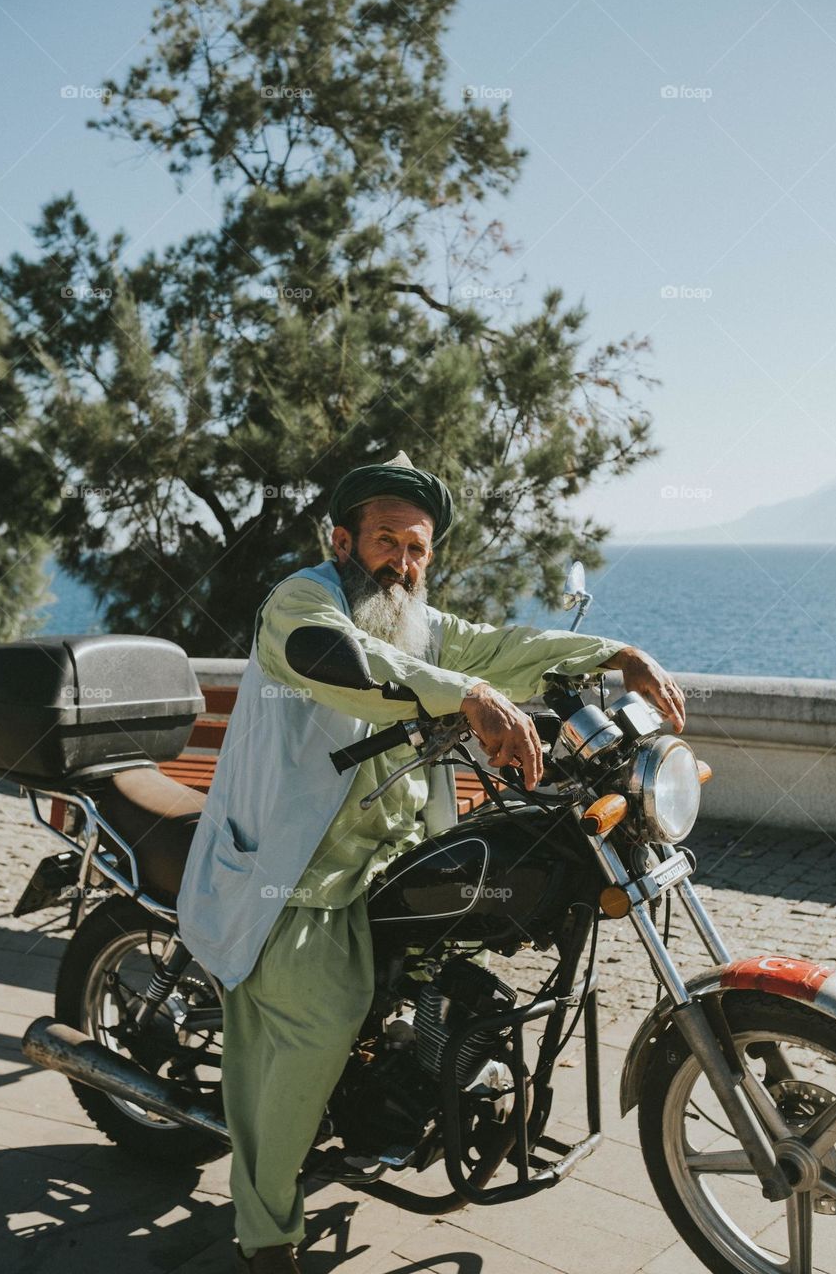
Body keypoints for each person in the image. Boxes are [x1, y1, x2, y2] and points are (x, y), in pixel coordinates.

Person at [176, 453, 686, 1273]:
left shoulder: (421, 625)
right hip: (294, 878)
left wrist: (610, 652)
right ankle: (266, 1234)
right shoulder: (303, 602)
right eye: (386, 542)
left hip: (387, 860)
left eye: (416, 550)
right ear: (342, 539)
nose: (402, 563)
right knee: (320, 1024)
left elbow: (503, 647)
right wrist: (469, 697)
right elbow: (329, 658)